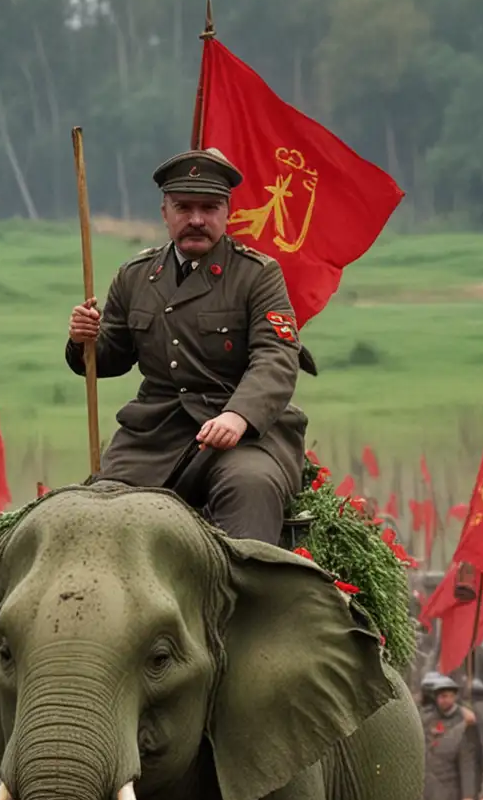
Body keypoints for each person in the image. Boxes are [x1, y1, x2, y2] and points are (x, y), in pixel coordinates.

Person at [65, 148, 312, 544]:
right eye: (183, 207)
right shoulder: (135, 276)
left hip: (242, 438)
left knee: (251, 489)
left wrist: (238, 417)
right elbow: (110, 357)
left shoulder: (257, 275)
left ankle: (248, 599)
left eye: (209, 207)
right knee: (96, 514)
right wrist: (84, 340)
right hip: (154, 435)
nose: (196, 219)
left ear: (227, 212)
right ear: (165, 212)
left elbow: (275, 358)